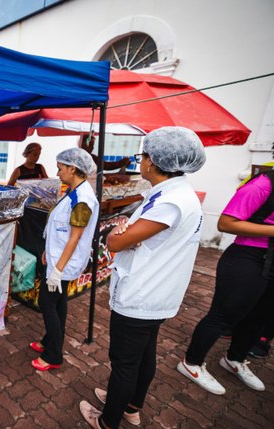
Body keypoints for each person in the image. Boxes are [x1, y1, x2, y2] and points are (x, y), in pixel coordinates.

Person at [79, 127, 206, 429]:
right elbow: (138, 235)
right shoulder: (176, 193)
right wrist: (128, 231)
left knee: (125, 362)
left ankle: (108, 420)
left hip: (143, 293)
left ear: (153, 161)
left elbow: (115, 242)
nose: (141, 162)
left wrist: (118, 233)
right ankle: (131, 405)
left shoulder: (171, 201)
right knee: (145, 353)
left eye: (143, 156)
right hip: (158, 291)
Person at [177, 138, 274, 395]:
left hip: (273, 262)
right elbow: (227, 223)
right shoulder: (264, 184)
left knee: (259, 316)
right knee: (224, 315)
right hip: (248, 257)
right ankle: (192, 362)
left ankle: (235, 359)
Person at [30, 148, 99, 371]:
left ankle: (53, 356)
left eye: (60, 169)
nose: (58, 173)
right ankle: (49, 341)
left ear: (72, 169)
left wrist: (58, 270)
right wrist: (47, 251)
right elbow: (59, 228)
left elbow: (75, 237)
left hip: (64, 263)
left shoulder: (82, 199)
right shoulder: (74, 190)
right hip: (57, 258)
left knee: (46, 303)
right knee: (58, 303)